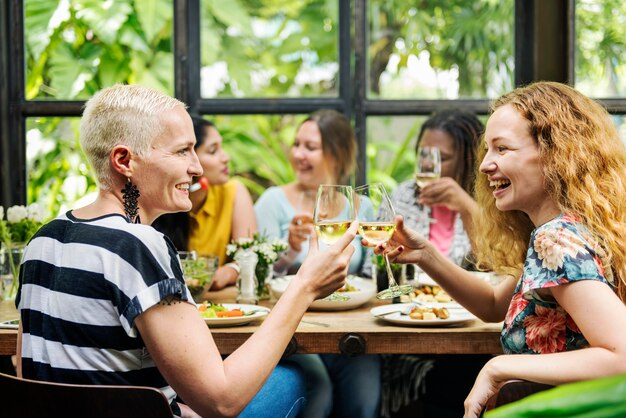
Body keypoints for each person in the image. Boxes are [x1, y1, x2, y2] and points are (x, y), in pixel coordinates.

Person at [15, 84, 359, 418]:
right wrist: (305, 287)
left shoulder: (42, 240)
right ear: (124, 160)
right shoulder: (138, 246)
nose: (196, 168)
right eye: (182, 151)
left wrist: (175, 406)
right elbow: (221, 401)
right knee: (309, 380)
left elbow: (27, 370)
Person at [368, 81, 626, 418]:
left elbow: (621, 356)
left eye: (502, 149)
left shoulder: (555, 239)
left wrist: (498, 367)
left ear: (555, 154)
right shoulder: (570, 228)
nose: (484, 164)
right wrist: (425, 254)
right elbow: (492, 305)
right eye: (487, 150)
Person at [254, 109, 381, 418]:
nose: (298, 154)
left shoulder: (361, 206)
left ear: (337, 155)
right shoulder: (272, 201)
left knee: (365, 400)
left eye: (310, 147)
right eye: (297, 144)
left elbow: (369, 273)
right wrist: (289, 249)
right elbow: (258, 278)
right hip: (293, 330)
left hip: (351, 326)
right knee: (318, 394)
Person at [367, 109, 486, 418]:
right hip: (408, 317)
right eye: (423, 156)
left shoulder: (488, 200)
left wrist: (465, 205)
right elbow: (377, 264)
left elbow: (491, 266)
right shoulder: (404, 195)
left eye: (441, 158)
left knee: (460, 372)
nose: (427, 166)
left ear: (468, 159)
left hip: (467, 323)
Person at [153, 116, 256, 290]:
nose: (226, 158)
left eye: (221, 148)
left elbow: (248, 253)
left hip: (219, 300)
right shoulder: (161, 200)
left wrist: (230, 271)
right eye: (213, 151)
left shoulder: (233, 192)